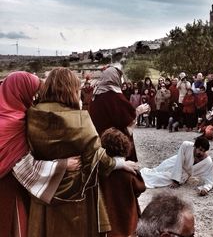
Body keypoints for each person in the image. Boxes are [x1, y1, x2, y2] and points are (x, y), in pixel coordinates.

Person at [26, 67, 139, 237]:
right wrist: (120, 162)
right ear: (71, 89)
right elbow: (95, 156)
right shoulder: (79, 119)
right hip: (74, 196)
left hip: (42, 191)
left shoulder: (31, 115)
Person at [0, 71, 80, 237]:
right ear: (21, 92)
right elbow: (21, 164)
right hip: (8, 190)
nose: (35, 98)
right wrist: (62, 165)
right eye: (33, 93)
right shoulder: (16, 122)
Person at [89, 66, 150, 162]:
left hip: (99, 141)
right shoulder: (115, 96)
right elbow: (127, 120)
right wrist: (138, 111)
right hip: (115, 143)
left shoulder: (95, 96)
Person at [99, 128, 146, 237]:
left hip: (108, 211)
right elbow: (140, 188)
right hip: (127, 211)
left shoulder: (102, 170)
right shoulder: (128, 171)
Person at [140, 137, 213, 196]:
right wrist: (176, 179)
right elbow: (179, 161)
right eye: (200, 149)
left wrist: (206, 188)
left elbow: (210, 180)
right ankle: (139, 174)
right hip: (175, 162)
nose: (201, 153)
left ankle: (139, 180)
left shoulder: (207, 162)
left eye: (203, 151)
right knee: (155, 170)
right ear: (195, 146)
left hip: (184, 174)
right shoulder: (186, 145)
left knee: (161, 178)